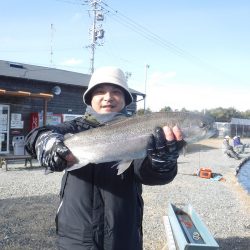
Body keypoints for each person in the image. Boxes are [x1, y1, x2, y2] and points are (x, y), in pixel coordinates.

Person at [25, 66, 184, 250]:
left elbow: (148, 174)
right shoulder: (73, 128)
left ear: (125, 99)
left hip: (124, 236)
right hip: (75, 238)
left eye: (116, 92)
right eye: (100, 91)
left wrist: (162, 162)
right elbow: (35, 135)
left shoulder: (141, 129)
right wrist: (44, 141)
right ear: (89, 98)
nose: (108, 97)